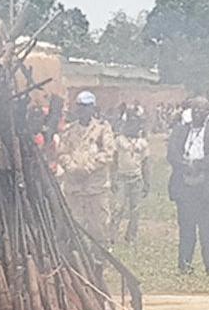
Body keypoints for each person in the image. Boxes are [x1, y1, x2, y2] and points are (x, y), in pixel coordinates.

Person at [167, 97, 209, 273]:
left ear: (208, 112)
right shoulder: (180, 131)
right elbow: (172, 153)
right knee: (186, 228)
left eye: (201, 110)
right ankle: (185, 265)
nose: (197, 113)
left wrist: (199, 164)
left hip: (207, 187)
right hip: (185, 186)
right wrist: (185, 165)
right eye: (195, 110)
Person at [57, 91, 116, 250]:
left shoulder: (102, 129)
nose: (82, 110)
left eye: (86, 106)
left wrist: (89, 167)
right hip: (75, 188)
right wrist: (71, 167)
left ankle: (100, 257)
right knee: (76, 226)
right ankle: (79, 256)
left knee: (99, 226)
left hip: (96, 188)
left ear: (92, 108)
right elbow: (62, 153)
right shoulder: (69, 130)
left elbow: (108, 153)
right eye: (80, 106)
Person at [112, 109, 150, 245]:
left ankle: (131, 237)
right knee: (118, 208)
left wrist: (147, 182)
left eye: (136, 123)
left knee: (135, 209)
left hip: (136, 179)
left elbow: (145, 163)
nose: (133, 126)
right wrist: (112, 178)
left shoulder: (143, 143)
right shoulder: (119, 140)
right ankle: (112, 236)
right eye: (131, 123)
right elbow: (114, 160)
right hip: (122, 178)